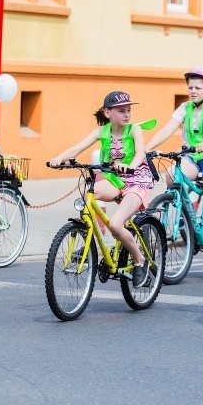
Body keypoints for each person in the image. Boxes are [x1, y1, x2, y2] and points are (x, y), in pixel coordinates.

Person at [49, 91, 154, 288]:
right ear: (108, 113)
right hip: (115, 178)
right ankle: (87, 239)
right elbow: (75, 149)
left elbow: (141, 153)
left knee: (115, 225)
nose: (127, 114)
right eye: (121, 110)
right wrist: (59, 158)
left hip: (137, 180)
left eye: (128, 110)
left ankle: (140, 260)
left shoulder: (134, 130)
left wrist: (131, 165)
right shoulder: (102, 132)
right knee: (87, 193)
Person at [146, 67, 203, 252]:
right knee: (170, 176)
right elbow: (168, 128)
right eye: (190, 87)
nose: (193, 91)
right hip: (192, 156)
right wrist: (147, 148)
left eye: (198, 88)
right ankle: (185, 214)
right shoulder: (185, 108)